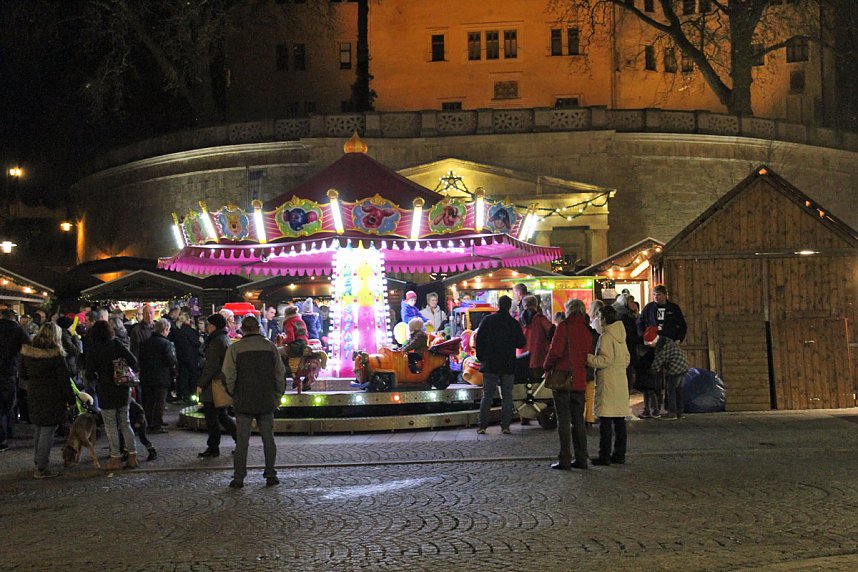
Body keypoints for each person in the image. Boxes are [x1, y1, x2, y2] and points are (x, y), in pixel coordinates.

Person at [222, 315, 286, 489]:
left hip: (243, 399)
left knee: (242, 441)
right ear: (258, 328)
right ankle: (271, 474)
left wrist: (233, 393)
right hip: (266, 399)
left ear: (243, 329)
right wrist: (277, 395)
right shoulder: (270, 347)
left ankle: (239, 477)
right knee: (268, 438)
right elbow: (280, 374)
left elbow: (228, 375)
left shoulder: (235, 349)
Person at [20, 323, 74, 478]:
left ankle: (38, 461)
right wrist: (71, 401)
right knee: (48, 430)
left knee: (38, 428)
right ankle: (42, 467)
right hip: (53, 396)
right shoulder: (55, 354)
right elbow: (65, 380)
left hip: (34, 394)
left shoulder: (28, 352)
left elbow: (23, 374)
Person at [543, 299, 591, 470]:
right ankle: (582, 458)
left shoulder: (564, 326)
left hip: (563, 379)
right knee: (578, 420)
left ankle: (564, 458)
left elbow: (555, 351)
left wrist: (546, 366)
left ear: (569, 310)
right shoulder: (586, 329)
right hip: (580, 380)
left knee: (563, 420)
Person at [85, 320, 139, 470]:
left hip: (106, 389)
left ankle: (115, 458)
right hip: (122, 388)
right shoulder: (116, 344)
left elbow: (89, 373)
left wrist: (98, 376)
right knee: (125, 422)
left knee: (110, 425)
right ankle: (132, 456)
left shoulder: (93, 349)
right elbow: (133, 361)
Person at [475, 295, 526, 435]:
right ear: (509, 306)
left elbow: (479, 340)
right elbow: (521, 343)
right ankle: (505, 426)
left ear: (498, 305)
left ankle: (482, 426)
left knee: (487, 396)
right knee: (507, 396)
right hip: (508, 364)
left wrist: (481, 357)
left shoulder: (488, 320)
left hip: (490, 364)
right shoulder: (513, 323)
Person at [587, 305, 631, 466]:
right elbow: (626, 358)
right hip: (620, 379)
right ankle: (619, 454)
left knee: (605, 421)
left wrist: (589, 358)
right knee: (619, 420)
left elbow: (605, 360)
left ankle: (604, 455)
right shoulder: (621, 335)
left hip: (608, 381)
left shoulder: (605, 337)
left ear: (604, 319)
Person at [195, 313, 237, 458]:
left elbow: (211, 366)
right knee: (222, 416)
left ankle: (213, 448)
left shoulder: (216, 341)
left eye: (208, 325)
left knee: (212, 418)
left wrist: (201, 384)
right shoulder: (223, 338)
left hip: (214, 385)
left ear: (213, 326)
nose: (207, 327)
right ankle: (240, 441)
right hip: (220, 383)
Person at [138, 318, 177, 433]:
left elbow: (141, 359)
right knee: (159, 401)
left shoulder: (145, 342)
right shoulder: (166, 343)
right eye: (168, 330)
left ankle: (148, 422)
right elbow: (170, 360)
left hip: (147, 376)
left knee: (148, 401)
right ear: (164, 330)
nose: (168, 332)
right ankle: (157, 424)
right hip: (161, 377)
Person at [520, 295, 553, 425]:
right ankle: (539, 412)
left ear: (523, 305)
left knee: (524, 388)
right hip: (538, 358)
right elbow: (551, 331)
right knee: (538, 389)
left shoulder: (519, 320)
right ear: (536, 304)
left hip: (522, 359)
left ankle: (525, 416)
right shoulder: (540, 319)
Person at [644, 326, 689, 420]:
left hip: (675, 368)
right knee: (678, 390)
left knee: (671, 390)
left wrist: (651, 372)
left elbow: (658, 361)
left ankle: (672, 413)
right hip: (683, 365)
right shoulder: (666, 341)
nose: (649, 345)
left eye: (650, 343)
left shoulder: (661, 348)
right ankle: (680, 412)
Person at [0, 308, 29, 452]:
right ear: (13, 317)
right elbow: (28, 346)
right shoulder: (18, 330)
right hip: (10, 371)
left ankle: (3, 435)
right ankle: (8, 432)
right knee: (9, 403)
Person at [172, 313, 201, 403]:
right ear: (188, 320)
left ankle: (184, 395)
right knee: (193, 377)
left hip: (180, 358)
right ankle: (193, 395)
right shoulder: (192, 331)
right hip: (192, 358)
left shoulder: (176, 332)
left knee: (183, 376)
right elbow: (196, 343)